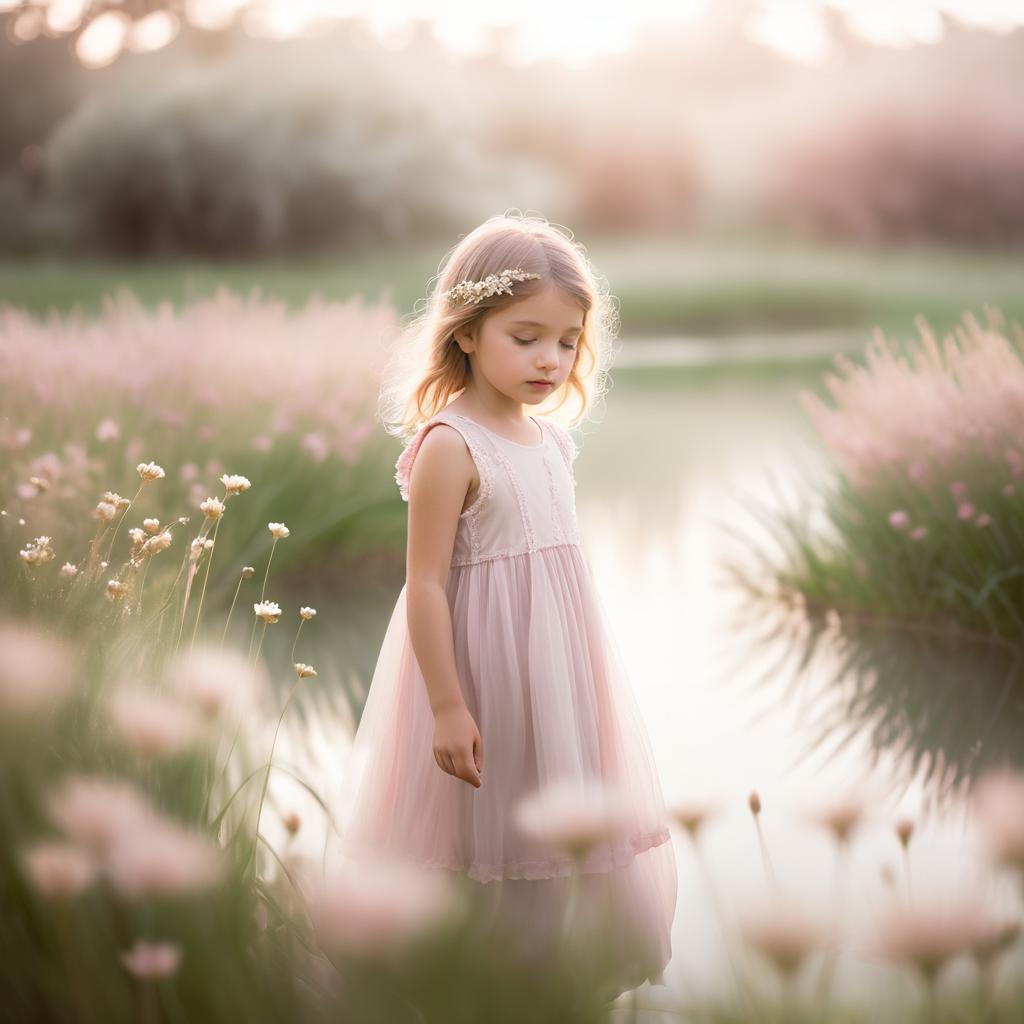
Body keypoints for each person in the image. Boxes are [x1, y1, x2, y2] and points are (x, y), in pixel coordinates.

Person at [335, 212, 677, 999]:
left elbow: (555, 573)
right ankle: (480, 978)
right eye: (525, 337)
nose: (550, 360)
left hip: (559, 670)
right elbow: (423, 583)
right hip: (483, 674)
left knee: (556, 814)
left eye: (566, 340)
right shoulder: (450, 446)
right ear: (466, 332)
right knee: (488, 830)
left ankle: (558, 977)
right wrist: (448, 705)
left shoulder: (551, 441)